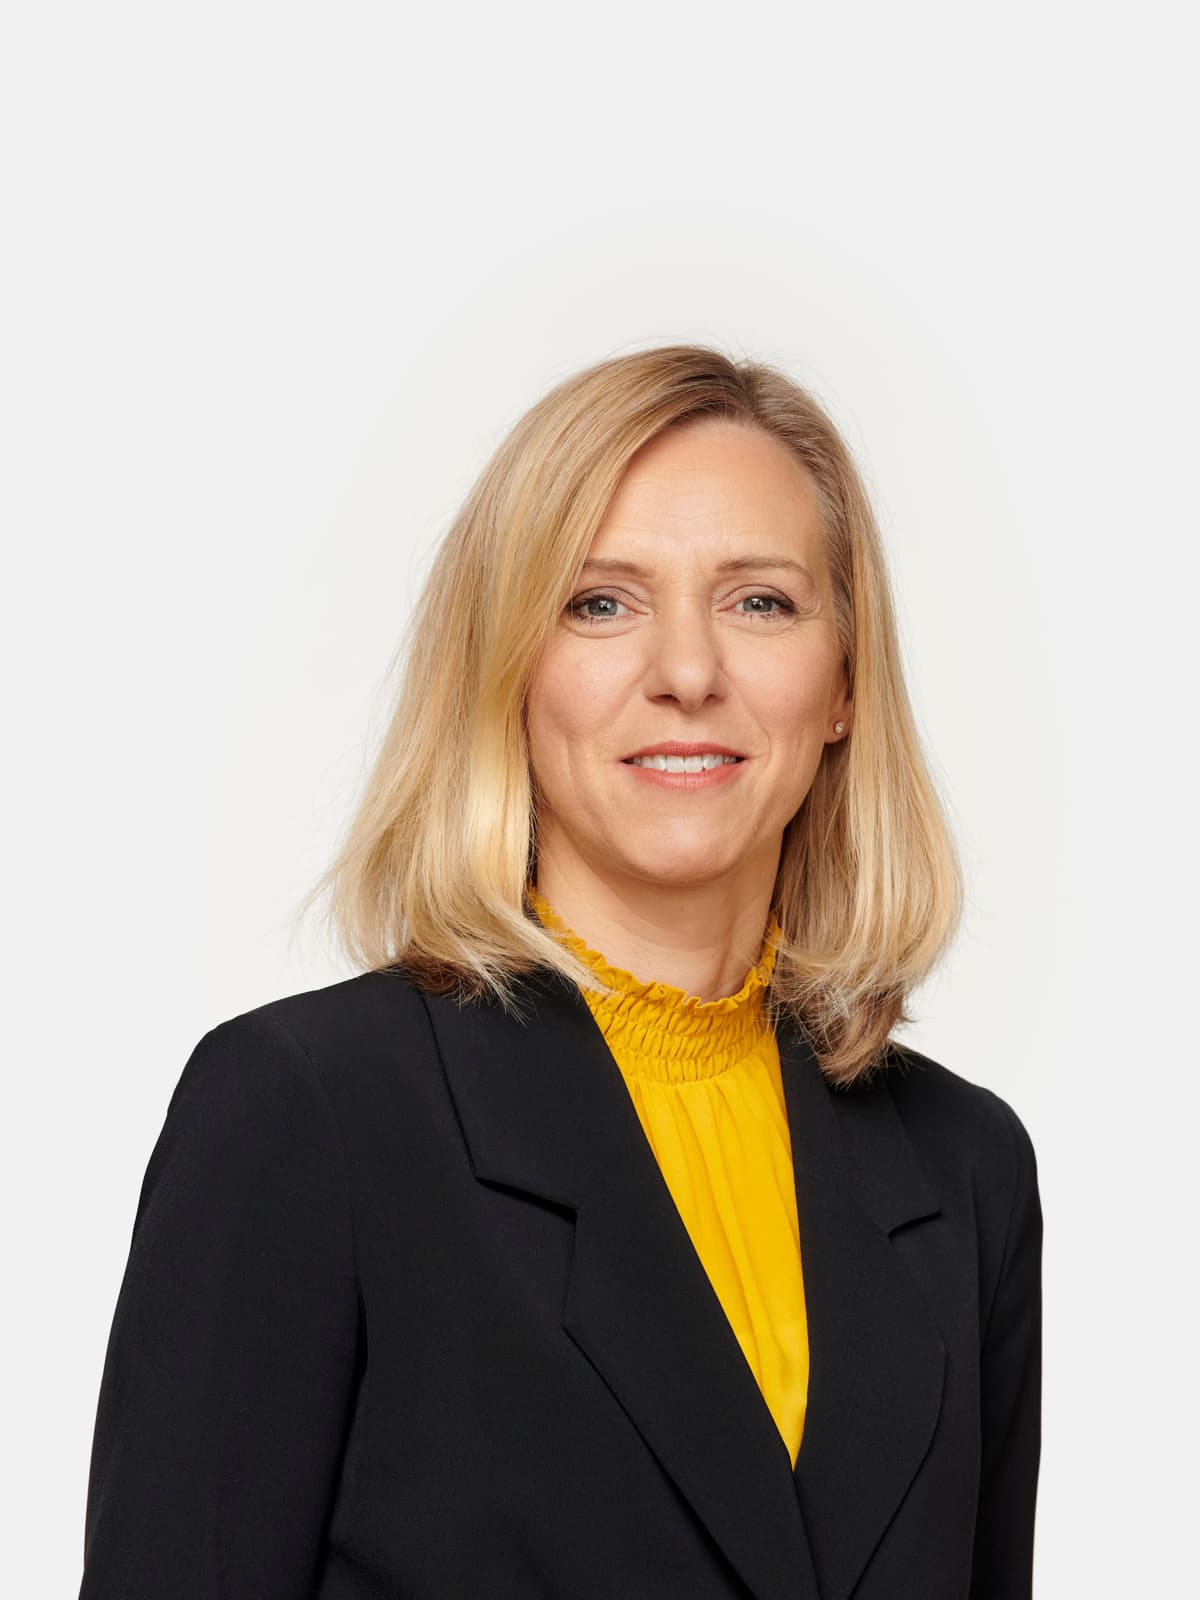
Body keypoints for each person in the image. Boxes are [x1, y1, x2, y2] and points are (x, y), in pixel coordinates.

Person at [77, 344, 1042, 1600]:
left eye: (760, 602)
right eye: (600, 603)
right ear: (508, 668)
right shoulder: (310, 1114)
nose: (687, 672)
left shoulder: (966, 1167)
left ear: (845, 682)